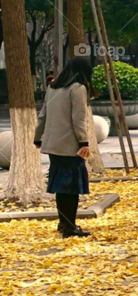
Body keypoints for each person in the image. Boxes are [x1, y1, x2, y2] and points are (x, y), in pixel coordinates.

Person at [33, 56, 93, 238]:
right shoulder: (78, 89)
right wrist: (84, 142)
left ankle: (64, 224)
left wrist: (37, 137)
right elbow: (78, 119)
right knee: (72, 188)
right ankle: (69, 227)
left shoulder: (53, 87)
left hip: (53, 146)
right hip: (71, 146)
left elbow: (42, 115)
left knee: (61, 187)